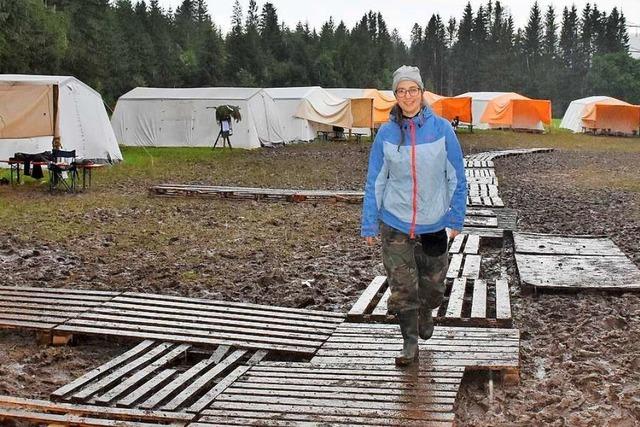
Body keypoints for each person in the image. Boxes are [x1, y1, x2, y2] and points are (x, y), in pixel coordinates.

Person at [361, 65, 467, 366]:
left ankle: (427, 310)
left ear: (422, 92)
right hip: (395, 223)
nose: (408, 96)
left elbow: (457, 176)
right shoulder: (386, 132)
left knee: (432, 286)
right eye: (401, 91)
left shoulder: (443, 129)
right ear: (395, 95)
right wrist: (369, 222)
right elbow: (376, 180)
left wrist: (455, 217)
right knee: (402, 286)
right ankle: (409, 342)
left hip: (433, 224)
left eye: (413, 90)